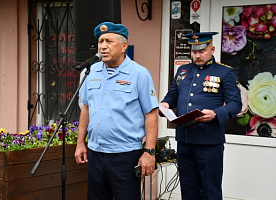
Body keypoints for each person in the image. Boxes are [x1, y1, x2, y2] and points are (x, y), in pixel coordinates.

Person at [74, 22, 159, 200]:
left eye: (109, 41)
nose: (103, 46)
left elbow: (151, 114)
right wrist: (80, 142)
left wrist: (149, 152)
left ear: (124, 46)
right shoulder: (90, 72)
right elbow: (86, 108)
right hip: (96, 153)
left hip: (125, 155)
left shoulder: (139, 74)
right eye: (100, 41)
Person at [160, 32, 242, 200]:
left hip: (209, 142)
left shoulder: (224, 72)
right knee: (188, 189)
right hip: (184, 140)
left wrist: (217, 114)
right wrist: (166, 104)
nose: (197, 55)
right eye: (194, 51)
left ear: (212, 49)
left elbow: (236, 104)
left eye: (201, 51)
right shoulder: (183, 70)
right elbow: (172, 95)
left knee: (209, 190)